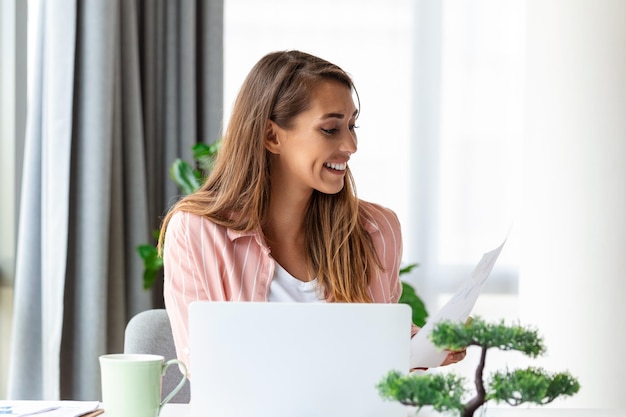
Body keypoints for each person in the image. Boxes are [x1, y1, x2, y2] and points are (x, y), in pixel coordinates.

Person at [159, 50, 466, 375]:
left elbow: (387, 353)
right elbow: (204, 369)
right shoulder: (197, 232)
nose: (351, 145)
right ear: (271, 136)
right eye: (331, 129)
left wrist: (427, 348)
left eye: (352, 125)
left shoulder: (376, 230)